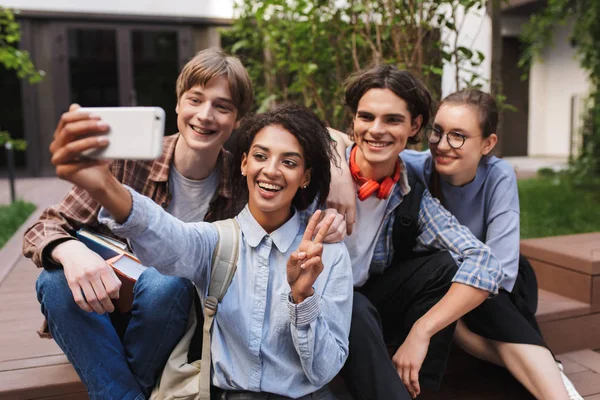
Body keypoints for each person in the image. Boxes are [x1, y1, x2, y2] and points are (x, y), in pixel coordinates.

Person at [23, 48, 352, 400]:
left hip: (170, 320)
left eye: (222, 106)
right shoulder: (127, 163)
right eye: (195, 100)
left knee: (169, 282)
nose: (205, 115)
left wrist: (341, 171)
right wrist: (72, 250)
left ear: (238, 119)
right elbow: (45, 227)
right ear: (178, 104)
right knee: (55, 282)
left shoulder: (244, 187)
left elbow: (293, 174)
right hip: (103, 301)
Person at [324, 64, 504, 400]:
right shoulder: (320, 169)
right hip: (306, 300)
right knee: (354, 307)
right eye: (366, 117)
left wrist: (422, 331)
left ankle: (418, 389)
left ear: (415, 125)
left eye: (392, 120)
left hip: (366, 302)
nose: (376, 130)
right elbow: (278, 128)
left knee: (443, 267)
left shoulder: (410, 194)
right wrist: (334, 169)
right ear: (353, 122)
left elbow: (486, 262)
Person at [401, 88, 581, 400]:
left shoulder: (498, 175)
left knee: (482, 298)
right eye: (438, 132)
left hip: (502, 290)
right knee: (461, 319)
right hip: (446, 288)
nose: (442, 145)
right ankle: (552, 374)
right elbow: (343, 141)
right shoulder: (416, 166)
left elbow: (499, 271)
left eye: (458, 136)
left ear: (487, 144)